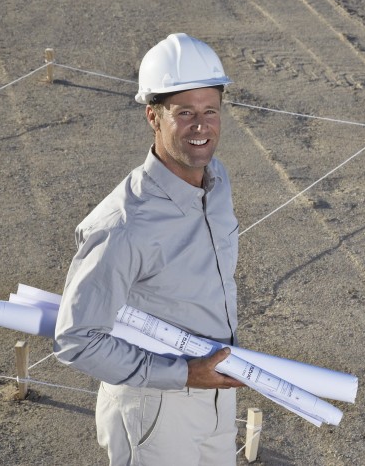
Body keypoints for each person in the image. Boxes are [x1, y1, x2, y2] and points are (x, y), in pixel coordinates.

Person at [54, 33, 245, 466]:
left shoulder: (217, 183)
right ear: (153, 117)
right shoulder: (123, 224)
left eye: (210, 110)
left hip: (216, 393)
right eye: (185, 113)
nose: (202, 126)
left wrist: (204, 375)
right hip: (156, 409)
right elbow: (75, 340)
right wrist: (183, 375)